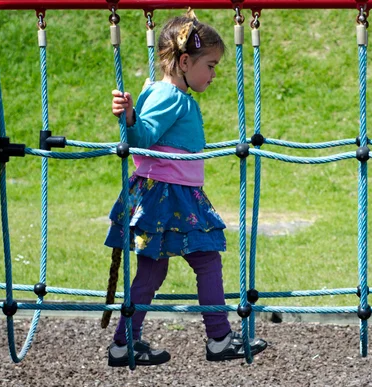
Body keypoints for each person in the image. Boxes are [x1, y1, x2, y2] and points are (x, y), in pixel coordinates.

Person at [104, 9, 268, 367]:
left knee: (153, 270)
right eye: (209, 65)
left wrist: (134, 116)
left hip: (167, 194)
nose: (213, 74)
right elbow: (143, 136)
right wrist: (129, 118)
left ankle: (123, 344)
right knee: (207, 260)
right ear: (183, 61)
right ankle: (219, 338)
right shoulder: (170, 97)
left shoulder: (166, 93)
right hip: (167, 196)